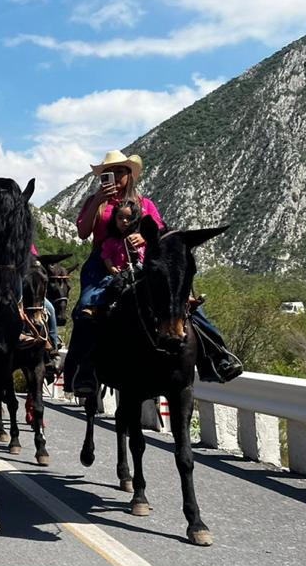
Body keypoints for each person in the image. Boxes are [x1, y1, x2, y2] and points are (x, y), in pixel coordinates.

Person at [64, 150, 241, 394]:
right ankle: (86, 372)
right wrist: (96, 201)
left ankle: (218, 355)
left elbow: (160, 231)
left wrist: (143, 237)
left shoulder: (145, 203)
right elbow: (83, 233)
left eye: (119, 171)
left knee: (180, 301)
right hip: (103, 263)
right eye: (108, 172)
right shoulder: (97, 202)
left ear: (130, 175)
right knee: (86, 310)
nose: (114, 176)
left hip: (141, 262)